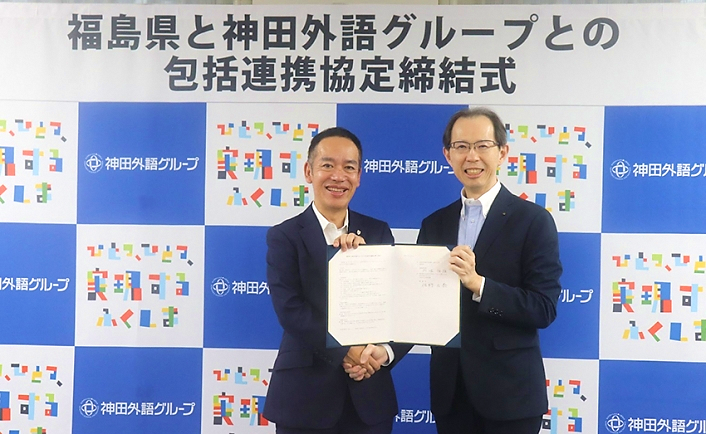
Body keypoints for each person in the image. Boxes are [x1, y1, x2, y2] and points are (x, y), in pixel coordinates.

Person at [417, 108, 562, 434]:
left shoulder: (534, 221)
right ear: (447, 155)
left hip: (511, 396)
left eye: (483, 146)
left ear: (502, 152)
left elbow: (543, 308)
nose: (472, 156)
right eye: (461, 146)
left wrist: (478, 284)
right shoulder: (434, 223)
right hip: (451, 393)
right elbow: (419, 305)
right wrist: (382, 352)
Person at [264, 126, 409, 434]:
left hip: (369, 395)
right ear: (309, 171)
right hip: (303, 398)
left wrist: (381, 353)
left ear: (359, 176)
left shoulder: (378, 232)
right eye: (327, 165)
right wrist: (346, 350)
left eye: (349, 167)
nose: (338, 176)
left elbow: (398, 305)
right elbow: (291, 310)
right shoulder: (284, 236)